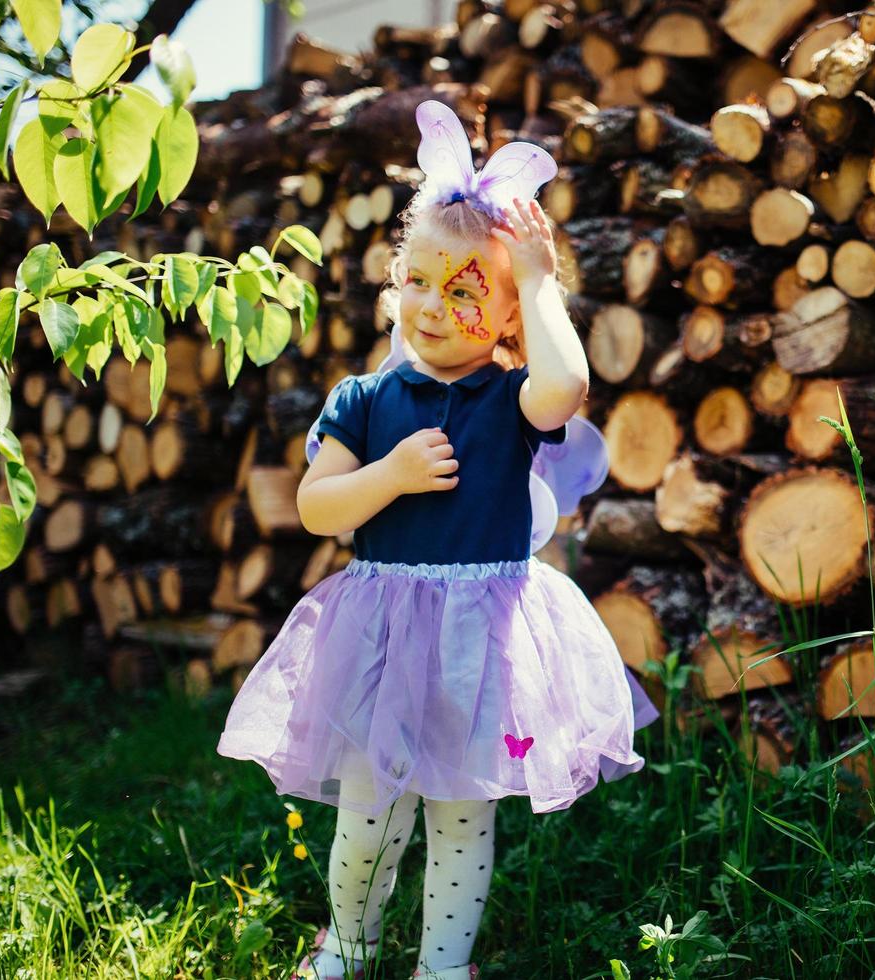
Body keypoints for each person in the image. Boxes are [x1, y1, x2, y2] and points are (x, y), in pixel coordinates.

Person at [216, 99, 660, 980]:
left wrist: (538, 280)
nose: (432, 304)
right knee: (368, 812)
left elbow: (567, 385)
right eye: (419, 280)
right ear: (394, 286)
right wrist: (389, 477)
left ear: (502, 320)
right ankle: (349, 940)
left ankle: (444, 966)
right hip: (380, 635)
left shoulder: (512, 401)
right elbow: (316, 508)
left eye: (466, 291)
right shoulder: (364, 401)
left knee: (462, 814)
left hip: (481, 643)